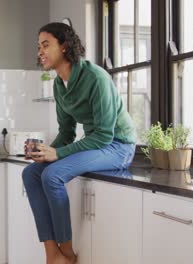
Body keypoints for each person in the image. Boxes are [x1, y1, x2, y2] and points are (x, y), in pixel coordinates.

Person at [22, 22, 136, 264]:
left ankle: (68, 255)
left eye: (45, 45)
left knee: (51, 176)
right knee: (31, 174)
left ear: (64, 46)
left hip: (119, 147)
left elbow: (105, 135)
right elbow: (66, 132)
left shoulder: (96, 78)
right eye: (38, 46)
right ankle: (52, 254)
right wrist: (45, 151)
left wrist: (59, 153)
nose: (39, 51)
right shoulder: (58, 85)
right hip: (97, 144)